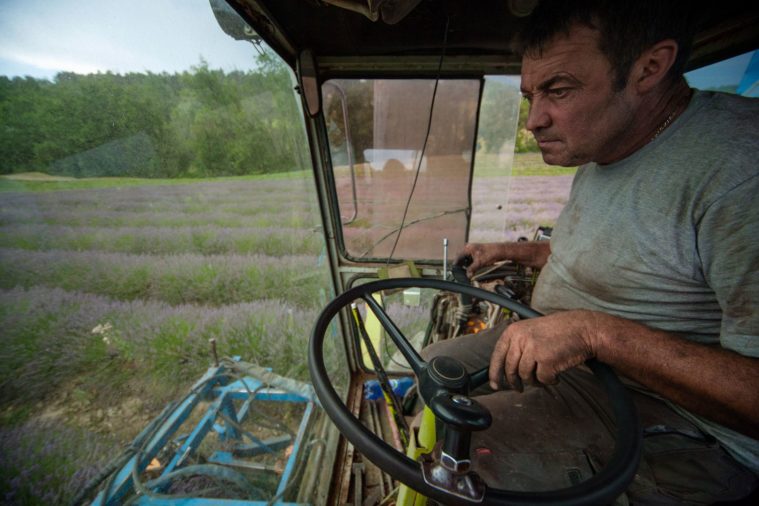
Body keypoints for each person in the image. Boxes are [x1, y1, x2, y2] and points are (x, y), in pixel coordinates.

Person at [422, 0, 759, 503]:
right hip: (573, 358)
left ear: (649, 67)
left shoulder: (738, 169)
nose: (534, 120)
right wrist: (515, 251)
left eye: (558, 90)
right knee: (434, 365)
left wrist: (594, 333)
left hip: (674, 420)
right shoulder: (605, 146)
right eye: (530, 95)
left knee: (479, 466)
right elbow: (619, 252)